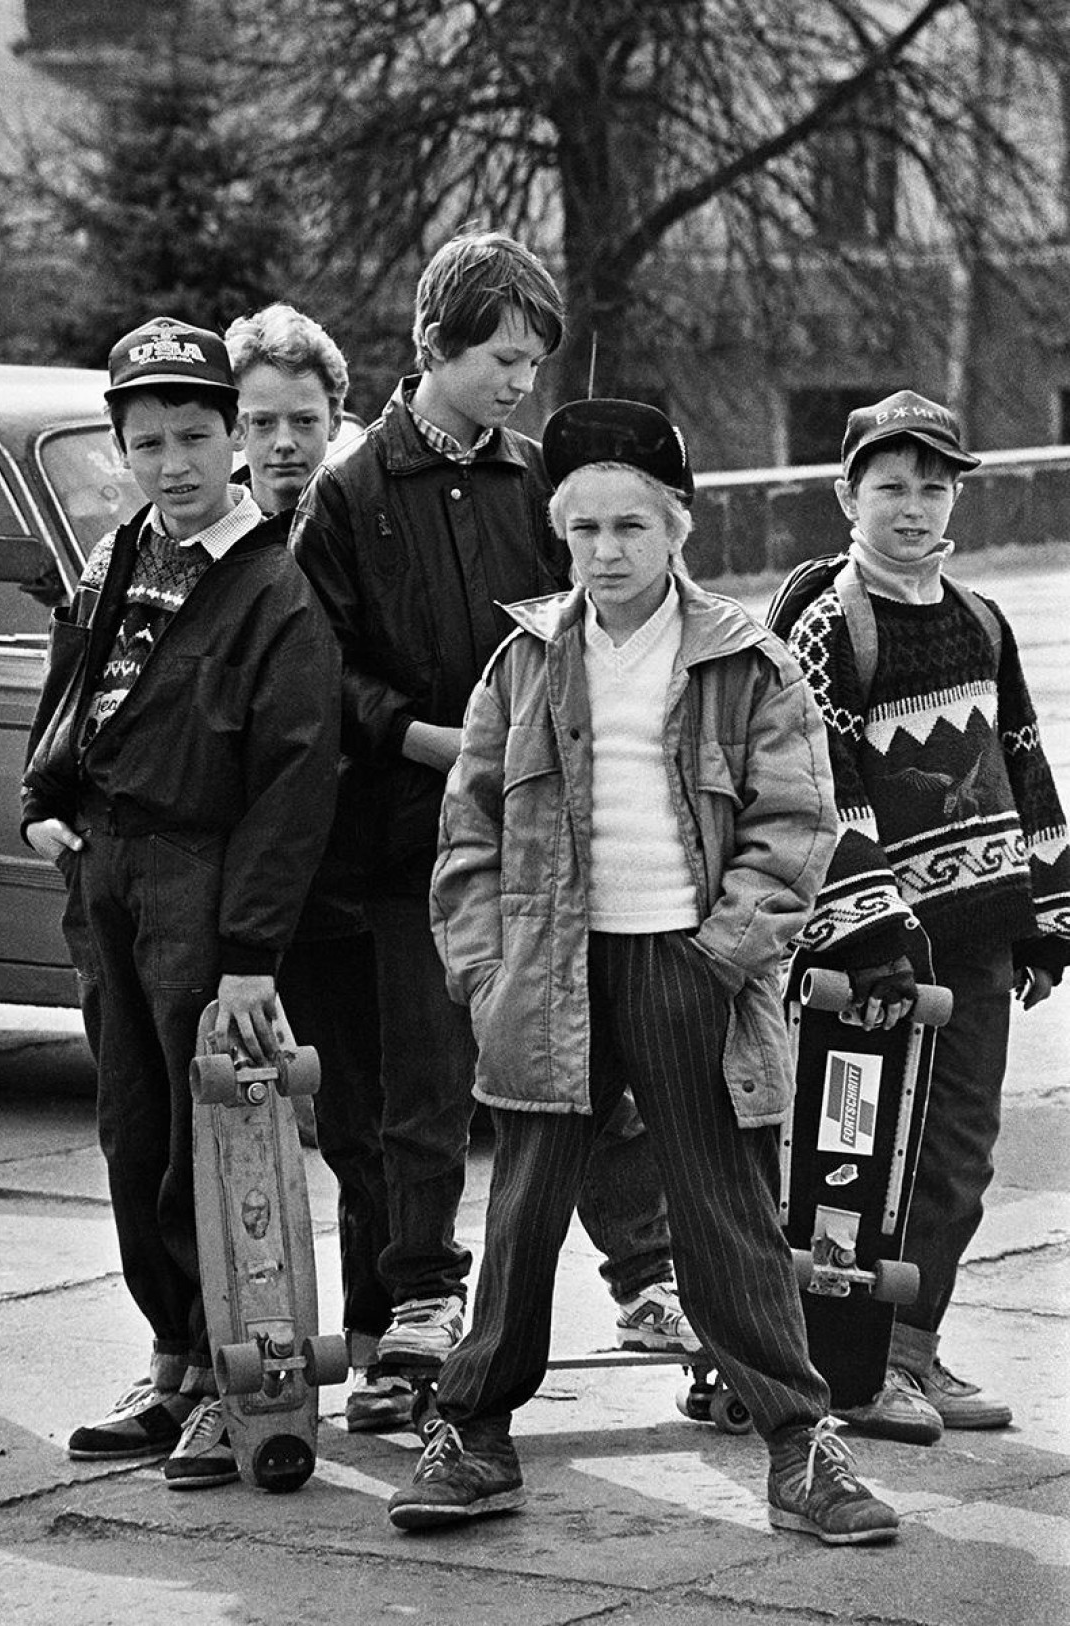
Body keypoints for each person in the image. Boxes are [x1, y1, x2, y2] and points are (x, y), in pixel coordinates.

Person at [386, 397, 900, 1547]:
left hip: (687, 966)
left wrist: (726, 954)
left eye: (631, 527)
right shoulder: (521, 662)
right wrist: (482, 973)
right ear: (559, 537)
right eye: (583, 531)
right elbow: (466, 834)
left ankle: (798, 1443)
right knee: (522, 1214)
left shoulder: (745, 660)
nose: (606, 552)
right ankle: (471, 1433)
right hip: (547, 972)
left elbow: (791, 827)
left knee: (725, 1214)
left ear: (677, 529)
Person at [290, 232, 698, 1431]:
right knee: (427, 1079)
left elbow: (580, 626)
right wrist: (431, 740)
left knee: (586, 1059)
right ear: (432, 350)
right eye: (503, 358)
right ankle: (422, 1298)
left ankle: (650, 1278)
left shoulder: (534, 483)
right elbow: (324, 673)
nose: (523, 381)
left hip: (547, 837)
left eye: (533, 360)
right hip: (409, 843)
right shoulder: (349, 496)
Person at [20, 315, 340, 1489]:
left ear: (234, 441)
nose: (174, 464)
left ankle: (232, 1377)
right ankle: (170, 1366)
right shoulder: (113, 561)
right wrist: (40, 802)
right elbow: (73, 698)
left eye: (196, 436)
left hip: (203, 887)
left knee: (217, 1139)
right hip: (104, 871)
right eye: (147, 441)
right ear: (122, 445)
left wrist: (250, 953)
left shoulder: (272, 590)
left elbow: (292, 786)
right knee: (130, 1125)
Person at [777, 389, 1070, 1444]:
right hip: (872, 953)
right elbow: (822, 786)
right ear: (845, 493)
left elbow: (1021, 760)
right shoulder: (829, 628)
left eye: (932, 485)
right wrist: (872, 926)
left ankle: (911, 1349)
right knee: (852, 1157)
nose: (912, 507)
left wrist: (1042, 916)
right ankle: (844, 1362)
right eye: (890, 485)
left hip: (977, 937)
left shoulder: (982, 621)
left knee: (955, 1153)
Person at [225, 302, 394, 1429]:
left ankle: (382, 1338)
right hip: (237, 894)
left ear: (339, 420)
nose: (285, 443)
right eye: (263, 421)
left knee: (363, 1126)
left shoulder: (354, 536)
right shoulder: (215, 547)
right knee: (233, 1133)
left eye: (306, 419)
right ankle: (238, 1355)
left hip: (345, 882)